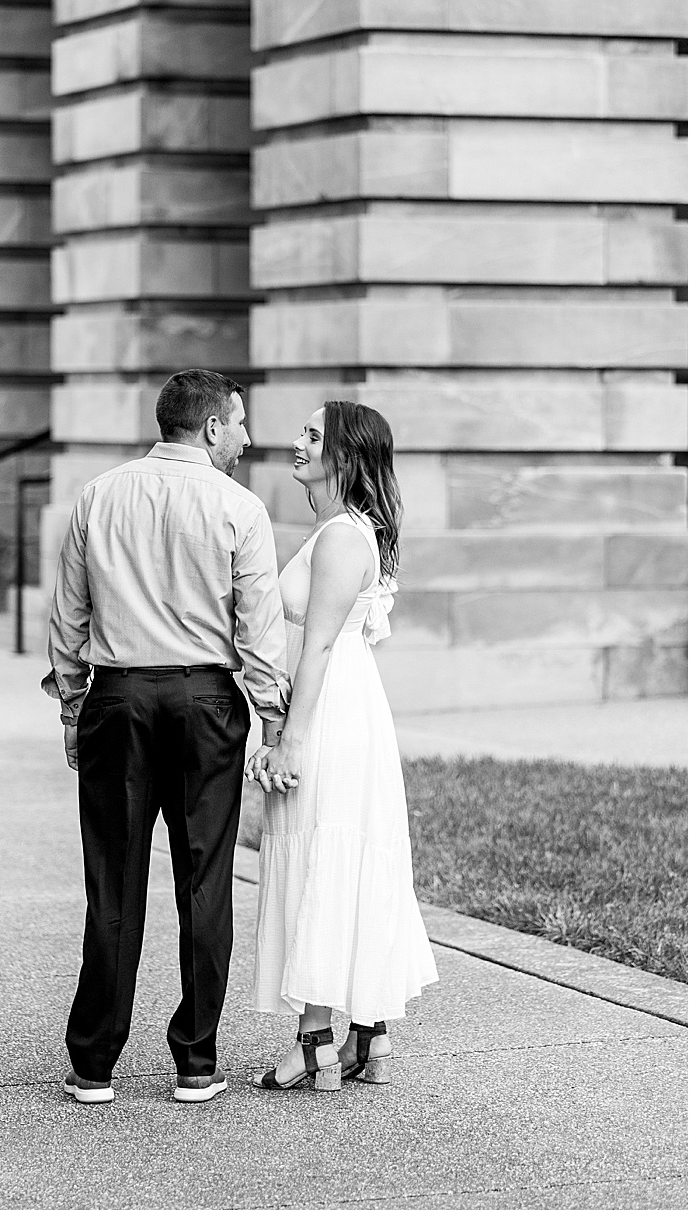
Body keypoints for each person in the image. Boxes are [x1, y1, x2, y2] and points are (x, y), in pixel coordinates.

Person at [44, 369, 290, 1106]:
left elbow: (69, 616)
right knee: (205, 880)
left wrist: (70, 708)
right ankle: (196, 1062)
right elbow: (261, 632)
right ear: (211, 427)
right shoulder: (241, 508)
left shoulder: (98, 495)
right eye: (239, 423)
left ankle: (93, 1065)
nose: (246, 438)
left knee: (112, 882)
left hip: (117, 701)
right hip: (206, 701)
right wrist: (272, 718)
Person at [249, 402, 438, 1091]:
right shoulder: (348, 530)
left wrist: (289, 740)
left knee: (320, 852)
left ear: (345, 457)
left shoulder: (339, 539)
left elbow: (322, 643)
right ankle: (370, 1036)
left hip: (329, 712)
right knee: (341, 856)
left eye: (312, 436)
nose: (296, 443)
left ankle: (316, 1043)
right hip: (347, 702)